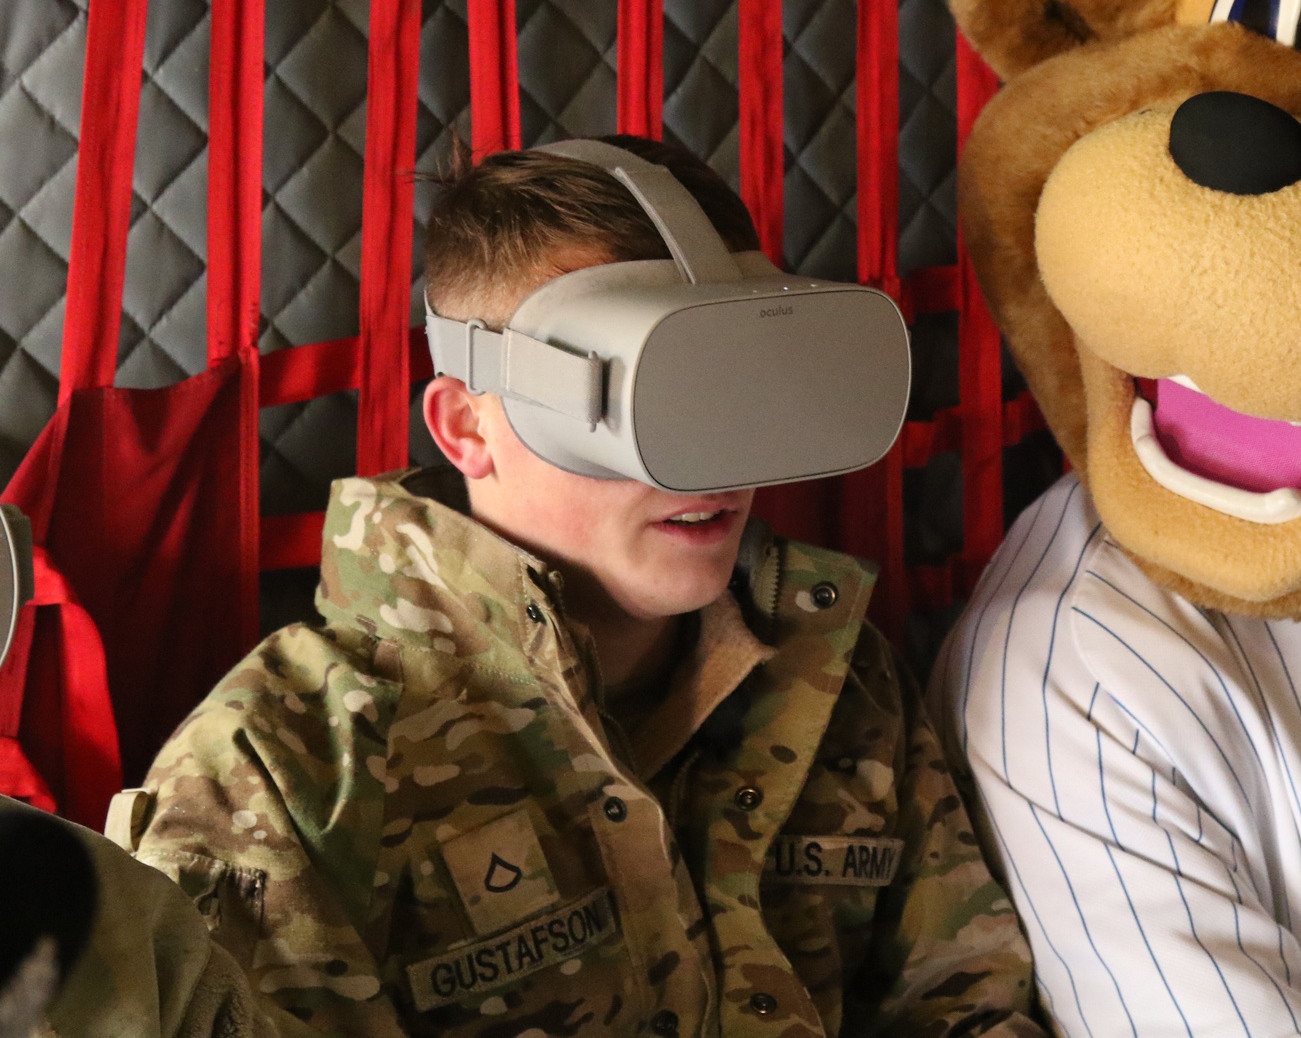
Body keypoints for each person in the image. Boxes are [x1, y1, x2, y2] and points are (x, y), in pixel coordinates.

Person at [123, 137, 1043, 1037]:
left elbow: (965, 999)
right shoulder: (284, 767)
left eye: (734, 389)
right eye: (647, 400)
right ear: (465, 427)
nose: (712, 459)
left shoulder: (836, 679)